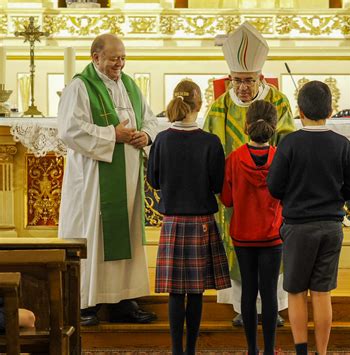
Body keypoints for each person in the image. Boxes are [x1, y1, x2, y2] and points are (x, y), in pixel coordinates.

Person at [57, 33, 159, 326]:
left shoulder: (130, 86)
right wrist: (111, 135)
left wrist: (146, 135)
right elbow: (69, 130)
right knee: (93, 236)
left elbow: (151, 119)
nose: (120, 64)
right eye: (114, 58)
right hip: (93, 181)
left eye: (123, 58)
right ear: (95, 57)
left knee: (125, 234)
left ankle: (122, 299)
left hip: (127, 178)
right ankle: (86, 304)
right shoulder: (79, 87)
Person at [204, 21, 295, 327]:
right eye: (237, 80)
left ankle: (275, 307)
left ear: (260, 78)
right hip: (236, 197)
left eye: (249, 81)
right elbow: (210, 149)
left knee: (272, 252)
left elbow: (287, 146)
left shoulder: (278, 102)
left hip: (271, 194)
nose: (242, 87)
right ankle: (243, 308)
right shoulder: (219, 108)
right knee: (239, 251)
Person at [267, 80, 350, 355]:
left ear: (299, 110)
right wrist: (335, 196)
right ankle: (322, 352)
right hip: (331, 226)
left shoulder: (290, 143)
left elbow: (274, 186)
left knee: (296, 291)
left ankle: (301, 352)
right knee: (322, 293)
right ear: (331, 111)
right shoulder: (341, 144)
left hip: (298, 226)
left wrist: (293, 195)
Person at [147, 80, 231, 355]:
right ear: (199, 105)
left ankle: (175, 350)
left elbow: (154, 181)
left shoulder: (161, 139)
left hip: (173, 222)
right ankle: (191, 350)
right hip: (202, 222)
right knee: (195, 292)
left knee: (175, 292)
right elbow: (219, 184)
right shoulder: (210, 142)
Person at [220, 100, 283, 355]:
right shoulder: (279, 157)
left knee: (248, 290)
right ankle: (269, 350)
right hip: (272, 234)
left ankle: (251, 350)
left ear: (246, 126)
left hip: (243, 234)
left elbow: (227, 199)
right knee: (269, 293)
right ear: (274, 127)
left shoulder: (234, 158)